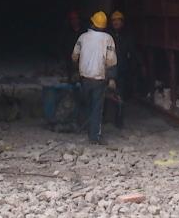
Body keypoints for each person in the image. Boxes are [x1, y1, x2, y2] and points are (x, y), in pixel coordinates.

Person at [72, 11, 117, 145]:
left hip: (85, 77)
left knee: (84, 102)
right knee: (97, 107)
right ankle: (94, 136)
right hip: (99, 78)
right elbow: (111, 60)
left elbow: (74, 56)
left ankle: (82, 127)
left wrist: (77, 68)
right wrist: (112, 78)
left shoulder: (82, 37)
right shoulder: (108, 39)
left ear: (92, 22)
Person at [108, 10, 139, 128]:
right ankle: (104, 117)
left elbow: (132, 51)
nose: (116, 22)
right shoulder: (108, 36)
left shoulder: (128, 36)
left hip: (122, 69)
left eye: (118, 20)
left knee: (120, 95)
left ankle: (118, 120)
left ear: (122, 22)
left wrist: (136, 66)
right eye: (114, 20)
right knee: (105, 95)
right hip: (109, 69)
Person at [59, 9, 84, 81]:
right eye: (72, 19)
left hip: (82, 61)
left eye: (76, 18)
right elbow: (62, 46)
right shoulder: (66, 32)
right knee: (72, 81)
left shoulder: (84, 32)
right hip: (70, 62)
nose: (74, 21)